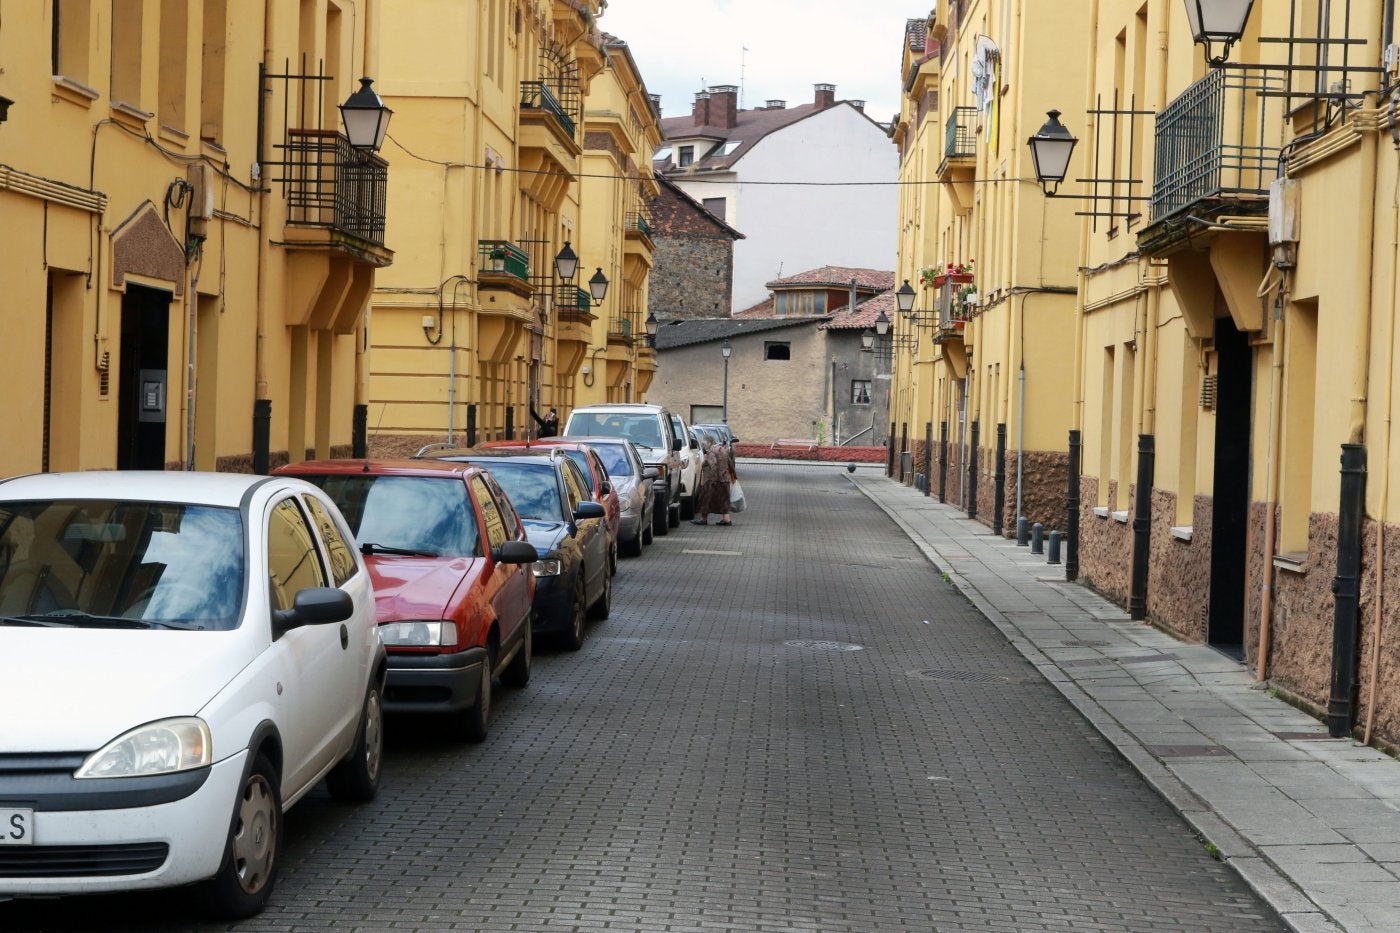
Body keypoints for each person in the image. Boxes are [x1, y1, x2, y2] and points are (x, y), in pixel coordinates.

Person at [691, 439, 736, 526]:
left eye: (704, 446)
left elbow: (714, 464)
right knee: (724, 500)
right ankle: (727, 519)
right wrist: (733, 475)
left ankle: (703, 519)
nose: (704, 448)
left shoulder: (711, 451)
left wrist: (713, 479)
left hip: (714, 480)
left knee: (706, 499)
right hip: (725, 479)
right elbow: (730, 463)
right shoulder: (723, 449)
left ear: (708, 444)